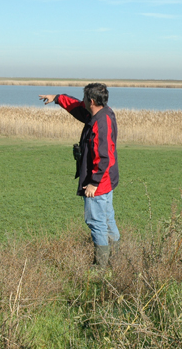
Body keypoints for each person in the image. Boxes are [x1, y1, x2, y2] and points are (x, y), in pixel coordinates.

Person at [39, 83, 120, 267]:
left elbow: (104, 156)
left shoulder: (100, 123)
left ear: (91, 101)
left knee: (96, 222)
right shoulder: (103, 113)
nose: (82, 101)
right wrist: (58, 98)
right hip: (107, 181)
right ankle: (117, 258)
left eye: (85, 98)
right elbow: (77, 107)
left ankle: (100, 266)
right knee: (107, 220)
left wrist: (93, 183)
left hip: (99, 184)